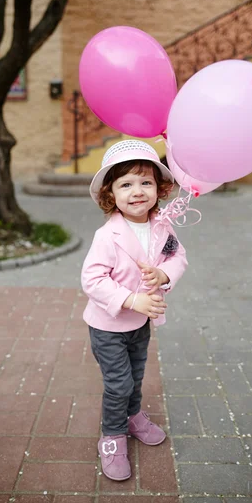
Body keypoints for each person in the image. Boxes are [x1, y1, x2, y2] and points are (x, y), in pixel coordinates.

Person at [81, 139, 188, 481]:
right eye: (126, 184)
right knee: (118, 383)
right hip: (108, 325)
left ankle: (133, 416)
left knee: (136, 375)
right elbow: (92, 279)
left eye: (146, 182)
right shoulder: (107, 235)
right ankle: (112, 436)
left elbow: (177, 257)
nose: (137, 191)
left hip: (140, 322)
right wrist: (131, 299)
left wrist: (164, 274)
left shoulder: (162, 226)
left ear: (160, 188)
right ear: (111, 194)